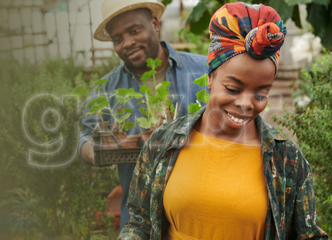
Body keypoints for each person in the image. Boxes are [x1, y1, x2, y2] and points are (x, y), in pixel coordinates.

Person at [118, 2, 329, 240]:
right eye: (232, 88)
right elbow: (139, 223)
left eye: (261, 94)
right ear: (210, 77)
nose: (247, 104)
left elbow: (309, 236)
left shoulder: (286, 160)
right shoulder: (162, 143)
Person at [78, 0, 208, 231]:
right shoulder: (106, 87)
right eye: (118, 39)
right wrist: (94, 151)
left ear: (155, 25)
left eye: (134, 30)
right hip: (141, 221)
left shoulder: (203, 70)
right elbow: (85, 136)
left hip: (203, 211)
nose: (127, 43)